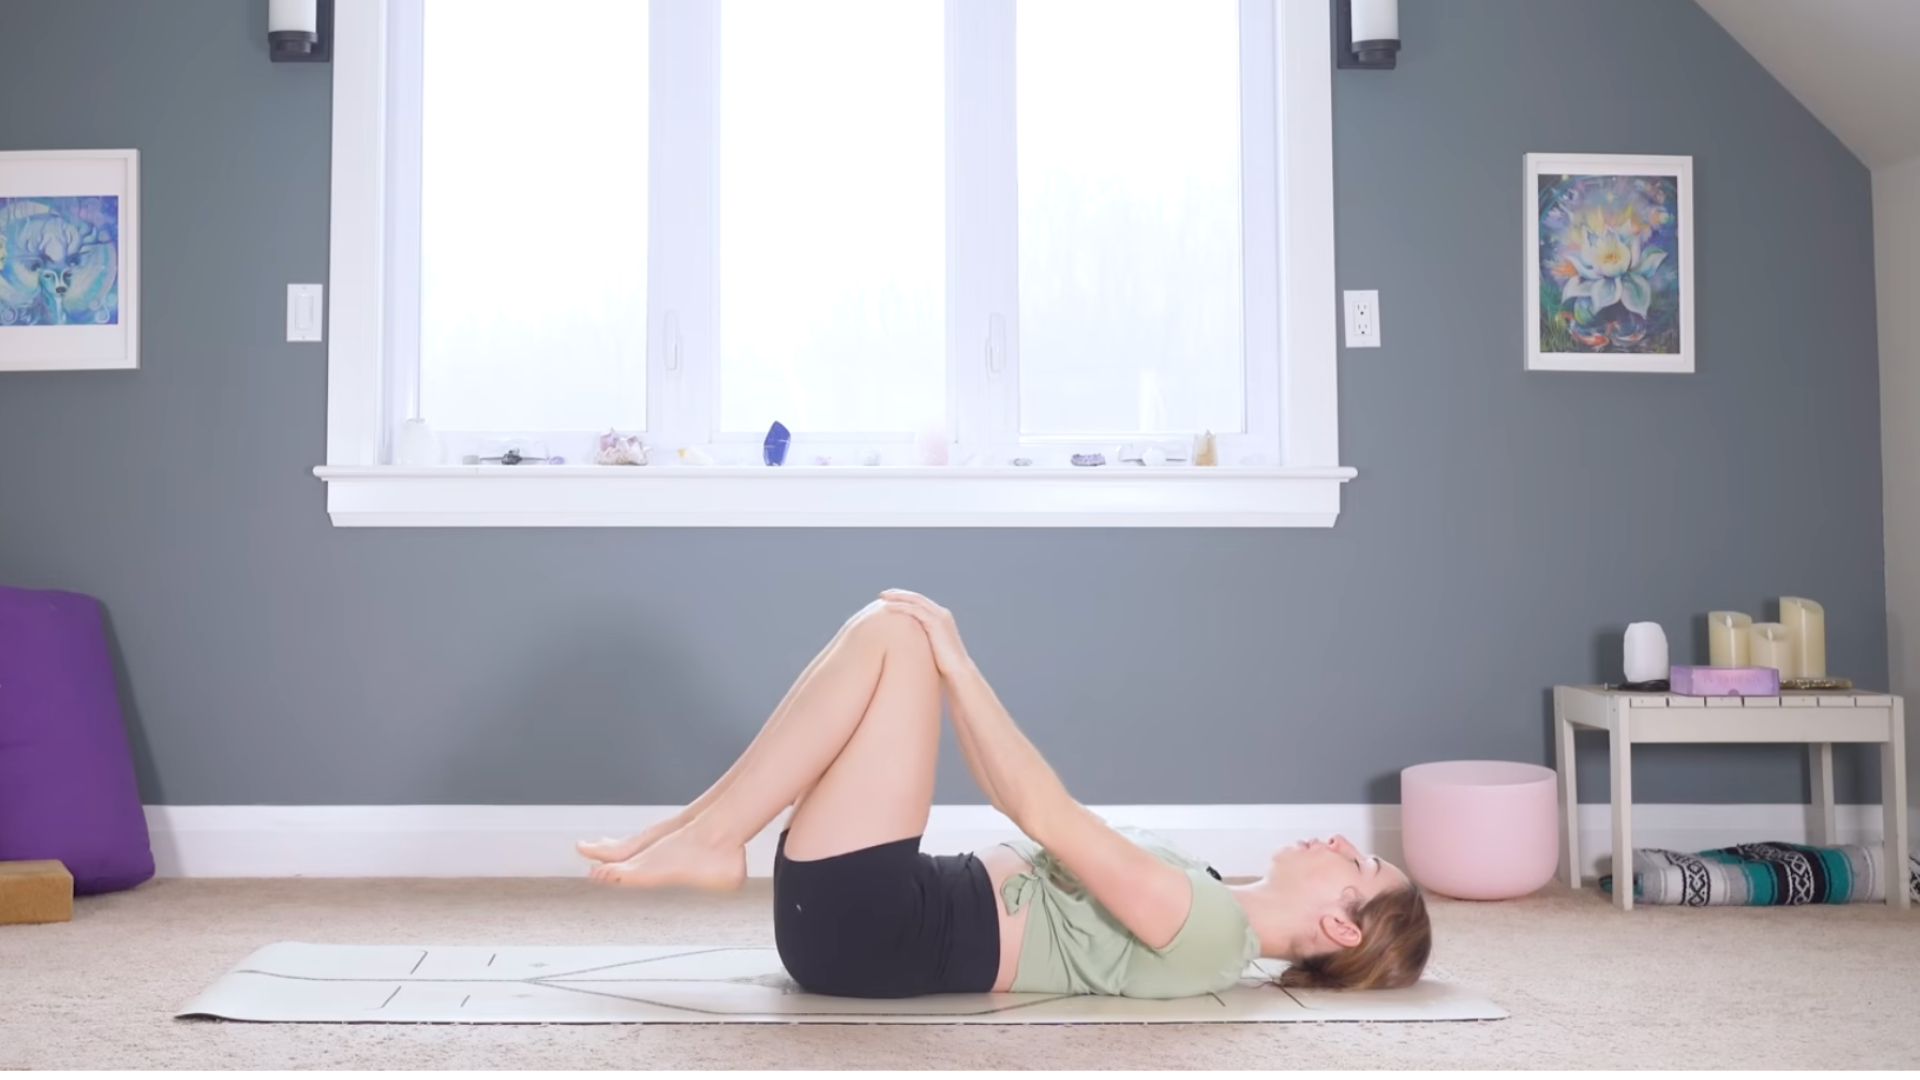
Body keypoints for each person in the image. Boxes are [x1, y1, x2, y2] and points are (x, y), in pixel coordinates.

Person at [577, 590, 1431, 999]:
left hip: (873, 933)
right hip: (866, 916)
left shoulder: (1214, 931)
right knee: (897, 631)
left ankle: (713, 838)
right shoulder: (1204, 891)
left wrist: (959, 660)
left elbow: (1042, 813)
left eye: (1360, 861)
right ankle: (699, 827)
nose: (1339, 840)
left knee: (900, 635)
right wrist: (952, 671)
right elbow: (1003, 789)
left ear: (1340, 925)